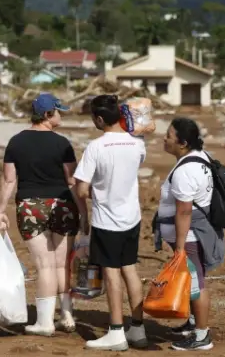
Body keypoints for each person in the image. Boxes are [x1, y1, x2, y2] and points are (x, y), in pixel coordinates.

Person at [0, 93, 81, 336]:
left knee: (45, 266)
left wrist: (1, 211)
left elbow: (8, 179)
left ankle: (45, 322)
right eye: (59, 111)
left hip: (31, 206)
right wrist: (84, 212)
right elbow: (72, 181)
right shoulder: (62, 143)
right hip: (62, 205)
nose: (61, 115)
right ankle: (66, 314)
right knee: (62, 264)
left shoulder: (16, 142)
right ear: (47, 115)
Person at [73, 94, 148, 351]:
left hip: (107, 221)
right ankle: (137, 329)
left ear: (100, 118)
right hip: (132, 217)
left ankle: (116, 331)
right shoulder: (137, 144)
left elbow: (81, 189)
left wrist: (99, 192)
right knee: (131, 270)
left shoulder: (96, 147)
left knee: (112, 273)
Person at [152, 117, 225, 351]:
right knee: (192, 281)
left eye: (169, 136)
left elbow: (183, 211)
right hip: (193, 233)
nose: (164, 139)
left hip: (190, 237)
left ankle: (202, 337)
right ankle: (193, 323)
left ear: (182, 143)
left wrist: (181, 247)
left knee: (196, 284)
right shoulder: (200, 157)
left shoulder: (186, 171)